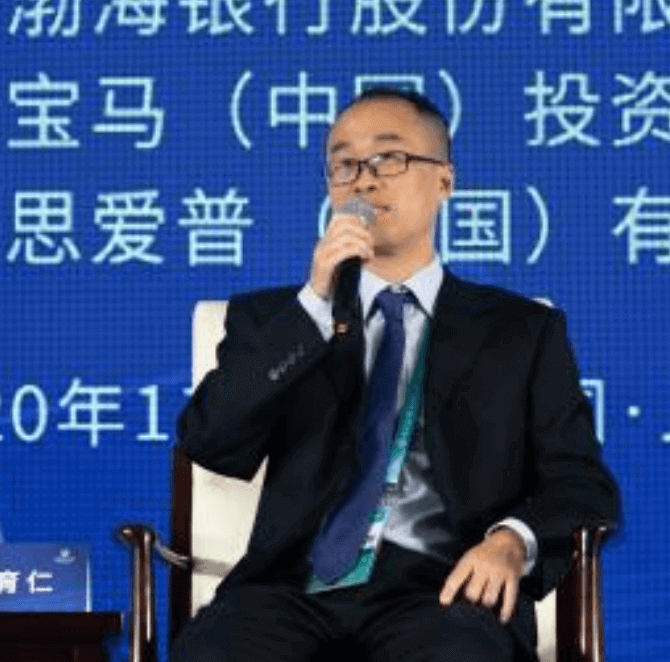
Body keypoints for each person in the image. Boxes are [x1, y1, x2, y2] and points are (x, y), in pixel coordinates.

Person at [173, 88, 621, 662]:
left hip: (444, 590)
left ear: (445, 180)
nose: (364, 180)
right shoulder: (277, 320)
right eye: (344, 164)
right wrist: (314, 305)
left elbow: (582, 483)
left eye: (389, 158)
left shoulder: (521, 332)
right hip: (289, 591)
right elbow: (209, 440)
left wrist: (512, 541)